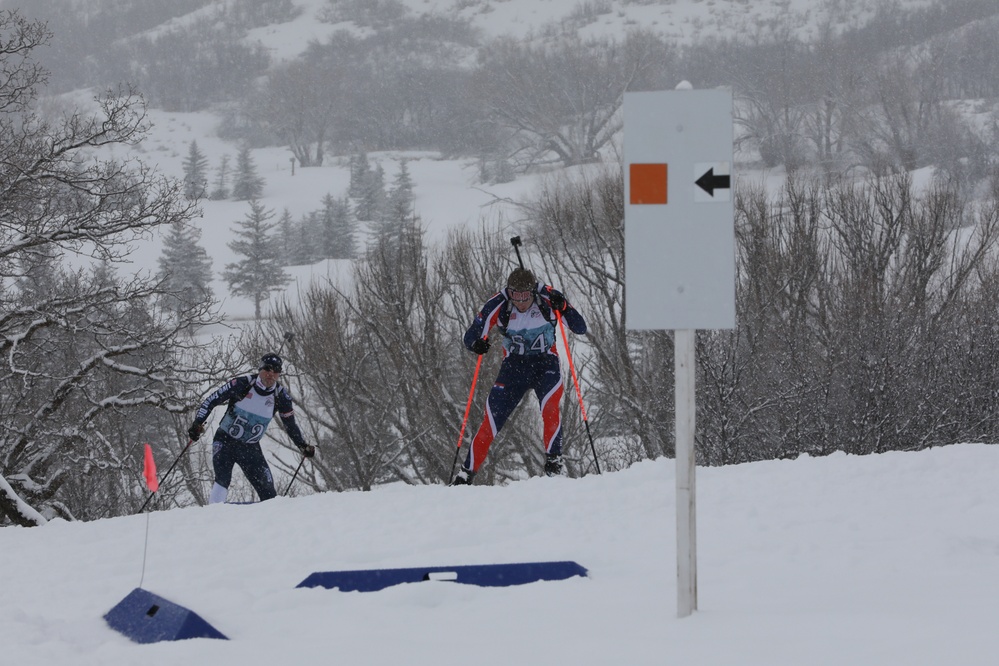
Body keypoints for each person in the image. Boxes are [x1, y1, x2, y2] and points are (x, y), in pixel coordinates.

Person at [453, 267, 586, 485]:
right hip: (514, 367)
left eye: (525, 297)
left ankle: (554, 464)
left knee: (550, 407)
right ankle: (465, 475)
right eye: (516, 296)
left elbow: (580, 328)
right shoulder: (499, 303)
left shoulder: (547, 298)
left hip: (545, 363)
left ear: (533, 292)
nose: (520, 302)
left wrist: (563, 306)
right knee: (491, 419)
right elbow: (470, 335)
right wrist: (476, 344)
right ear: (510, 292)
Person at [187, 353, 315, 503]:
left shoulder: (281, 396)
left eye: (276, 371)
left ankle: (261, 521)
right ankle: (212, 514)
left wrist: (302, 445)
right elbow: (211, 400)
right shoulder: (243, 383)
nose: (271, 374)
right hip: (225, 441)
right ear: (260, 369)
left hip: (250, 448)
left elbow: (290, 424)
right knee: (222, 480)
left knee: (269, 495)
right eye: (267, 369)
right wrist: (197, 423)